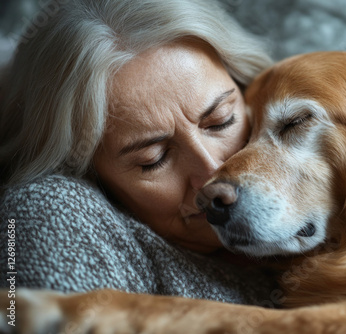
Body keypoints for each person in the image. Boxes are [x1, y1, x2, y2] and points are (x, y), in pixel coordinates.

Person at [0, 0, 276, 305]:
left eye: (220, 120)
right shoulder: (54, 212)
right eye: (154, 159)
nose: (213, 173)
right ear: (90, 177)